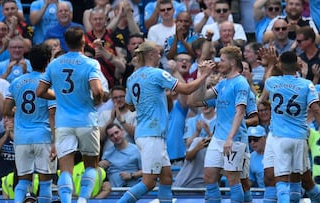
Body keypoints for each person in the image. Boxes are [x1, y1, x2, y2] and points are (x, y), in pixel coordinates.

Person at [117, 41, 215, 203]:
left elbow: (130, 106)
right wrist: (204, 74)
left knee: (166, 178)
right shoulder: (157, 74)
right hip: (152, 134)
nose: (160, 56)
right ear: (150, 55)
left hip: (146, 133)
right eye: (158, 53)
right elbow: (187, 89)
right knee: (148, 183)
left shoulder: (132, 78)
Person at [36, 27, 104, 203]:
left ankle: (66, 201)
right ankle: (82, 199)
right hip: (86, 120)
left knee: (66, 168)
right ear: (83, 42)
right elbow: (97, 91)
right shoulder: (90, 63)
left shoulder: (54, 64)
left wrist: (58, 95)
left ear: (66, 43)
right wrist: (96, 100)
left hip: (63, 122)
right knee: (92, 164)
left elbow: (40, 91)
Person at [264, 51, 320, 202]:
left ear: (281, 65)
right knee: (298, 177)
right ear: (298, 65)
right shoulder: (307, 84)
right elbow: (316, 109)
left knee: (282, 181)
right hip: (300, 138)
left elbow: (266, 80)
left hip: (280, 137)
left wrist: (271, 64)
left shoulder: (273, 82)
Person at [190, 45, 250, 202]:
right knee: (209, 177)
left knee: (233, 179)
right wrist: (202, 77)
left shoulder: (241, 83)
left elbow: (240, 112)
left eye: (222, 60)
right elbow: (198, 99)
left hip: (234, 138)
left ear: (232, 62)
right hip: (217, 138)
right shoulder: (223, 83)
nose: (218, 63)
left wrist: (230, 138)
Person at [3, 43, 56, 203]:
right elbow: (52, 113)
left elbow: (6, 110)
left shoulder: (17, 82)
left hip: (21, 138)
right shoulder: (48, 84)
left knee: (23, 181)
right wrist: (56, 141)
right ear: (47, 62)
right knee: (45, 182)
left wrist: (18, 111)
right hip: (43, 136)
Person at [99, 123, 142, 188]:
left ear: (122, 131)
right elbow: (101, 175)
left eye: (116, 132)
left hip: (133, 189)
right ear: (109, 138)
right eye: (111, 135)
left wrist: (131, 175)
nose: (115, 137)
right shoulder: (107, 153)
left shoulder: (136, 150)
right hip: (113, 192)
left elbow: (146, 171)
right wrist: (100, 166)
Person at [0, 116, 15, 189]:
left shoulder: (22, 136)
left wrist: (12, 135)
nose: (5, 120)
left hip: (18, 178)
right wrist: (6, 135)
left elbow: (26, 152)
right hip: (2, 179)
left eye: (8, 117)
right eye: (4, 117)